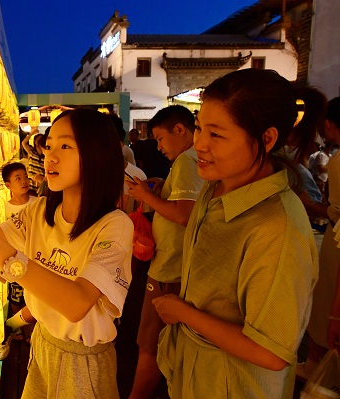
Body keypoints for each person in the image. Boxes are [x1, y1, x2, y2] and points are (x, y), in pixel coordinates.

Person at [0, 108, 134, 398]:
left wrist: (2, 254)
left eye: (65, 146)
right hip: (43, 343)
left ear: (96, 153)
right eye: (49, 146)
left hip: (83, 361)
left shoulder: (115, 225)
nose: (51, 156)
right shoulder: (38, 211)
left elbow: (78, 303)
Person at [153, 69, 318, 398]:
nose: (199, 143)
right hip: (193, 375)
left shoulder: (277, 226)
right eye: (199, 127)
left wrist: (184, 313)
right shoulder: (215, 188)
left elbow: (270, 352)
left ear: (266, 139)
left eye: (216, 135)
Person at [125, 105, 204, 399]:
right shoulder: (190, 160)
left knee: (150, 343)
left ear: (180, 130)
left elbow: (184, 214)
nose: (158, 147)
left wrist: (145, 196)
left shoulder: (187, 160)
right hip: (177, 264)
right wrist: (160, 189)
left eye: (160, 138)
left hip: (170, 267)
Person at [303, 97, 340, 374]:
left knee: (327, 297)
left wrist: (305, 200)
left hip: (336, 240)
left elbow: (335, 212)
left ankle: (320, 365)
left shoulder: (337, 161)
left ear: (328, 125)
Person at [0, 162, 38, 360]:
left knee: (34, 297)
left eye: (24, 177)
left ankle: (31, 333)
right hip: (13, 260)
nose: (23, 181)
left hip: (36, 260)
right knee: (15, 297)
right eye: (17, 179)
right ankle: (18, 331)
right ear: (7, 185)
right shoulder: (4, 208)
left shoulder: (38, 203)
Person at [22, 129, 47, 196]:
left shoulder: (45, 155)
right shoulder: (31, 152)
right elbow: (24, 143)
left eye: (40, 140)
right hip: (30, 185)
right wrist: (31, 133)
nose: (39, 142)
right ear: (35, 142)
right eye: (37, 140)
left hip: (41, 185)